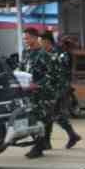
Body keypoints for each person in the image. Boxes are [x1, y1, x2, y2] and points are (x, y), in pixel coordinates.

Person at [40, 31, 81, 150]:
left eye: (41, 42)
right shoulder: (49, 53)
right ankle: (72, 135)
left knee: (51, 113)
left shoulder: (60, 54)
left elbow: (61, 73)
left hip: (59, 88)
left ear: (46, 41)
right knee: (54, 114)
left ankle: (49, 141)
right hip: (52, 88)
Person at [21, 28, 53, 159]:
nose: (25, 40)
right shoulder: (26, 53)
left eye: (27, 38)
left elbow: (51, 74)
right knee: (32, 119)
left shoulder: (43, 54)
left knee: (40, 119)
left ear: (35, 38)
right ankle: (41, 143)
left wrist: (38, 84)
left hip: (41, 92)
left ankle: (38, 147)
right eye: (24, 38)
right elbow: (22, 68)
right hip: (28, 92)